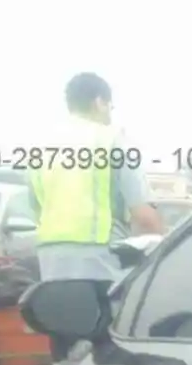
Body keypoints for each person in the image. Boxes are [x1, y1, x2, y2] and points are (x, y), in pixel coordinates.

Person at [29, 72, 167, 282]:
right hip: (99, 258)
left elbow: (37, 207)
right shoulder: (112, 140)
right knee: (110, 314)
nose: (110, 113)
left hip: (50, 259)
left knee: (60, 314)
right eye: (110, 106)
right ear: (99, 102)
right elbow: (145, 217)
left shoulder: (41, 148)